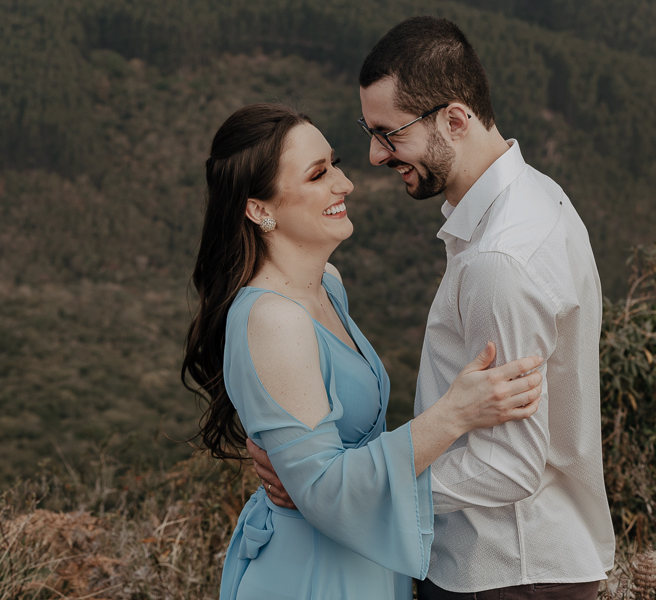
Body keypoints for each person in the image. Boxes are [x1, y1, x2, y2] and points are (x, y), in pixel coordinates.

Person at [251, 16, 615, 600]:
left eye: (389, 134)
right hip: (529, 563)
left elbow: (511, 465)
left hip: (502, 570)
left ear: (454, 119)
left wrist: (346, 492)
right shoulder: (539, 196)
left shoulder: (500, 260)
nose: (373, 155)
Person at [182, 102, 545, 600]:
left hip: (360, 559)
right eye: (317, 175)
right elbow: (325, 492)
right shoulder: (274, 318)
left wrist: (310, 476)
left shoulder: (328, 286)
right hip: (313, 573)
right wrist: (454, 416)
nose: (344, 183)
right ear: (259, 209)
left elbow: (325, 468)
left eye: (333, 163)